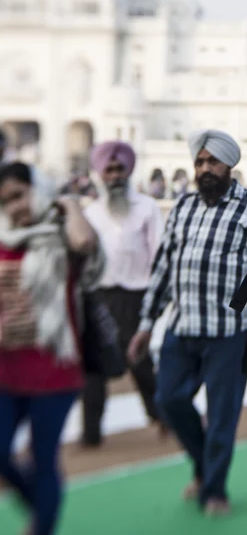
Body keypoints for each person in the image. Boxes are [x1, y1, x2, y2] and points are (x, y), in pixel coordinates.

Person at [128, 129, 247, 516]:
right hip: (181, 329)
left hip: (228, 336)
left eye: (212, 161)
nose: (205, 168)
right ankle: (203, 466)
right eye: (200, 162)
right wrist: (147, 322)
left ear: (229, 165)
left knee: (221, 418)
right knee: (168, 399)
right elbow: (164, 267)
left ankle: (213, 488)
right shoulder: (183, 207)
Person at [0, 162, 104, 535]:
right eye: (5, 201)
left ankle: (42, 525)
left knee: (44, 459)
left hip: (54, 372)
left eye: (19, 195)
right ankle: (42, 506)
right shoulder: (3, 236)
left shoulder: (60, 235)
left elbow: (86, 243)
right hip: (5, 372)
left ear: (37, 189)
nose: (14, 207)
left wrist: (69, 204)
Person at [82, 142, 164, 447]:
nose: (115, 175)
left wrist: (157, 298)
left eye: (119, 169)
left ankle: (160, 418)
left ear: (128, 171)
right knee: (94, 367)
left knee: (139, 360)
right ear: (100, 174)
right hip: (98, 295)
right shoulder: (90, 212)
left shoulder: (147, 207)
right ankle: (91, 435)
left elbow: (159, 253)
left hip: (136, 294)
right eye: (109, 170)